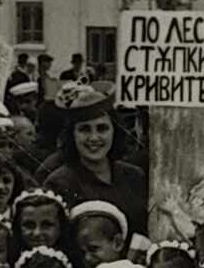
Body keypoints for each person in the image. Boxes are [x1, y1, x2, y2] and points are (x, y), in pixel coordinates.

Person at [44, 85, 151, 252]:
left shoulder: (134, 175)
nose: (94, 138)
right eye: (84, 129)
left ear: (114, 131)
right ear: (72, 135)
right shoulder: (60, 183)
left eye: (102, 128)